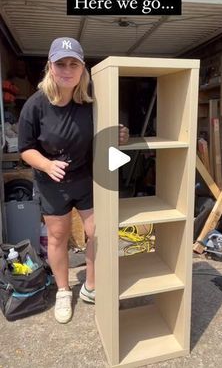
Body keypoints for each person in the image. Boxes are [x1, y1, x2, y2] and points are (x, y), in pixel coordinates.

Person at [18, 37, 129, 324]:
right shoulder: (35, 105)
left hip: (85, 177)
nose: (67, 69)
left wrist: (118, 136)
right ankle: (64, 291)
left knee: (98, 232)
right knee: (58, 236)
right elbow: (25, 149)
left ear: (82, 69)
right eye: (60, 63)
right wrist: (45, 163)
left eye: (73, 63)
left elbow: (103, 135)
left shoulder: (91, 102)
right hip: (51, 181)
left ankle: (91, 287)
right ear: (50, 67)